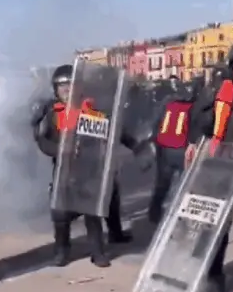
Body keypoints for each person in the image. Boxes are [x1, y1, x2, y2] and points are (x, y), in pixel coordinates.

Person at [34, 64, 144, 267]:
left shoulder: (92, 112)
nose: (66, 90)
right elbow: (42, 140)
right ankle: (61, 251)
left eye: (70, 85)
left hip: (90, 172)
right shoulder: (53, 114)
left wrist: (137, 147)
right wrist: (58, 150)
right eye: (61, 86)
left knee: (92, 214)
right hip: (64, 174)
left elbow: (115, 131)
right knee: (60, 215)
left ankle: (97, 251)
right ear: (55, 90)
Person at [184, 42, 233, 292]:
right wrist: (193, 144)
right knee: (219, 224)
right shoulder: (219, 95)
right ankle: (214, 275)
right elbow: (198, 124)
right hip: (223, 167)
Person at [147, 77, 203, 223]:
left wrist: (154, 142)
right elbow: (197, 128)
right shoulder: (196, 105)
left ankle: (154, 212)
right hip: (182, 148)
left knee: (162, 183)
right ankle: (180, 216)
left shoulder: (168, 102)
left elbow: (156, 123)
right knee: (185, 184)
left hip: (165, 148)